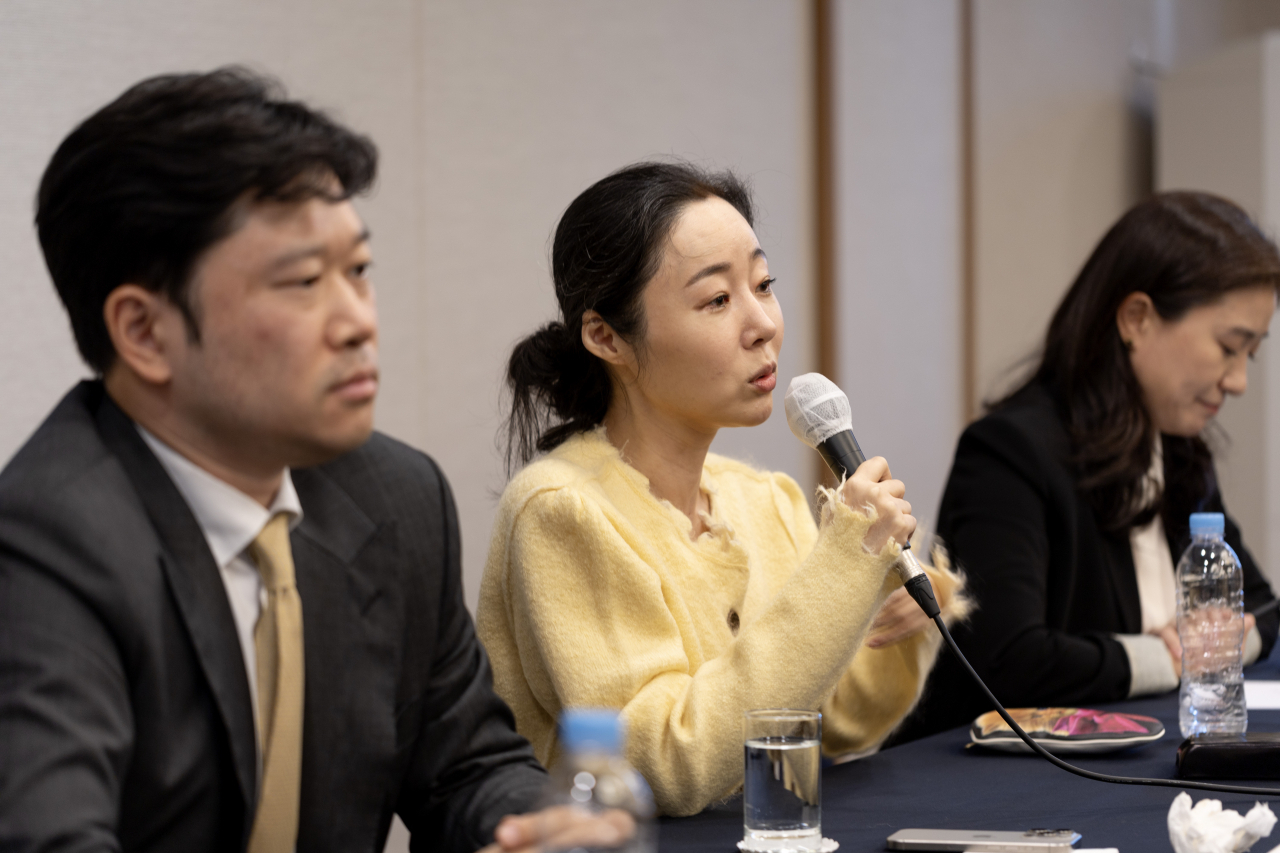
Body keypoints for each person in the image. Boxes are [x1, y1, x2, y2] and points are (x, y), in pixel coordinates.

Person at [0, 67, 618, 853]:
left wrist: (536, 826)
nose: (358, 320)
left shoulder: (396, 497)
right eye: (301, 282)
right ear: (144, 332)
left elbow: (468, 766)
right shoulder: (46, 542)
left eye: (358, 270)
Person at [475, 162, 970, 817]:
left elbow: (842, 720)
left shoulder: (764, 499)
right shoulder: (562, 511)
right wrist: (840, 567)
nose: (762, 323)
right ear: (606, 335)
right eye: (717, 299)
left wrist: (892, 611)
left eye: (764, 285)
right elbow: (660, 765)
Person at [895, 192, 1280, 743]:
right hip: (1003, 783)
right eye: (1228, 347)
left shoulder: (1180, 452)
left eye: (1252, 354)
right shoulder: (1009, 452)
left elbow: (1263, 610)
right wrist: (1169, 657)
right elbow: (1008, 660)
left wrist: (1206, 645)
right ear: (1137, 319)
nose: (1239, 380)